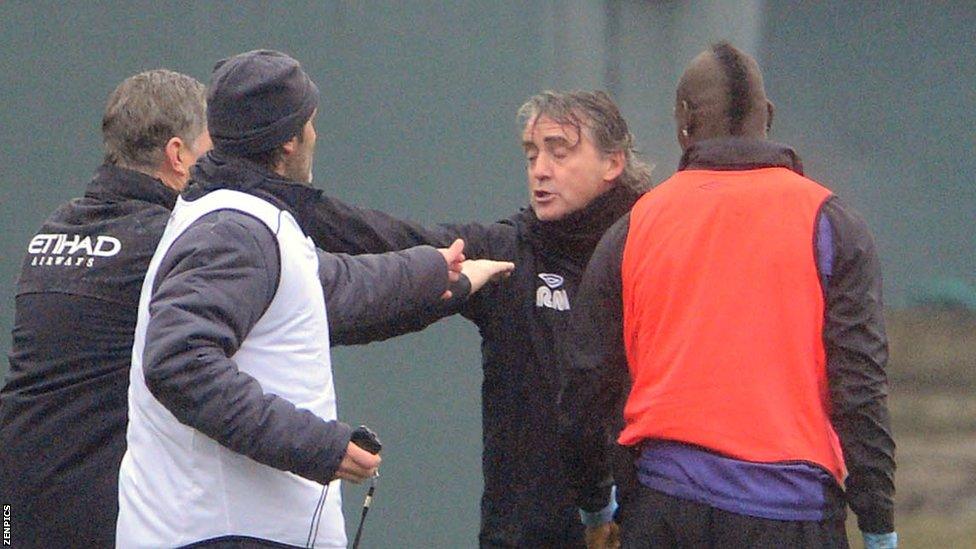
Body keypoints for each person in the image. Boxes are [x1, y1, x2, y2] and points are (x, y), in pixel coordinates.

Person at [114, 50, 512, 548]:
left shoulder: (239, 216)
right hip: (224, 533)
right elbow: (179, 363)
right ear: (288, 140)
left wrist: (438, 272)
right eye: (311, 124)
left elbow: (333, 285)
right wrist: (320, 446)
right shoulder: (234, 231)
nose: (316, 136)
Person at [558, 42, 897, 548]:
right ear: (768, 118)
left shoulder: (636, 229)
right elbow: (861, 391)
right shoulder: (831, 225)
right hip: (792, 518)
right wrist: (878, 527)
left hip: (665, 511)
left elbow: (584, 388)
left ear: (683, 122)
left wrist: (596, 507)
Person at [292, 90, 651, 548]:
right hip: (522, 535)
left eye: (559, 152)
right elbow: (391, 239)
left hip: (637, 526)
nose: (540, 170)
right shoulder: (508, 254)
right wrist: (282, 198)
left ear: (613, 163)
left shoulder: (653, 249)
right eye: (531, 154)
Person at [0, 69, 211, 547]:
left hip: (12, 503)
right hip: (99, 514)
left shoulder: (52, 230)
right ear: (178, 156)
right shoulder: (170, 241)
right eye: (208, 149)